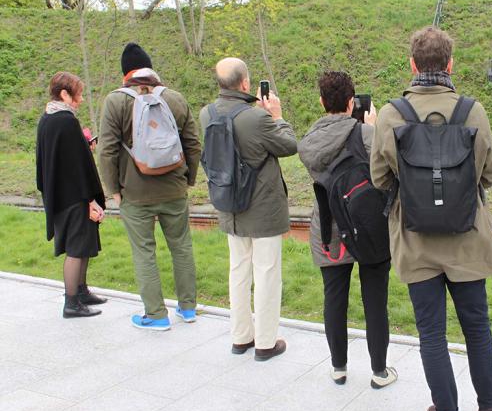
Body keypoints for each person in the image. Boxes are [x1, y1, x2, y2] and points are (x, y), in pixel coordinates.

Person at [370, 27, 492, 411]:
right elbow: (488, 174)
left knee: (431, 333)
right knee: (477, 326)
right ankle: (490, 404)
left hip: (415, 241)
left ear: (413, 65)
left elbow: (379, 178)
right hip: (467, 239)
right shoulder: (473, 111)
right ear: (450, 64)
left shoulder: (391, 114)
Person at [298, 71, 397, 388]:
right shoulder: (368, 134)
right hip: (369, 227)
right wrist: (375, 128)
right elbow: (389, 169)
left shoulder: (309, 142)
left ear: (321, 102)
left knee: (334, 298)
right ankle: (379, 371)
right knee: (375, 300)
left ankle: (338, 368)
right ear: (352, 102)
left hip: (329, 230)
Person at [98, 43, 201, 331]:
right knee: (181, 247)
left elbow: (106, 150)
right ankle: (188, 308)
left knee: (144, 252)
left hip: (134, 192)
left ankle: (156, 315)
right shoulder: (174, 98)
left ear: (125, 74)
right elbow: (193, 144)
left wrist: (113, 190)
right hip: (174, 188)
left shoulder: (115, 101)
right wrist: (188, 179)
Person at [199, 58, 297, 361]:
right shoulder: (256, 118)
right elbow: (289, 145)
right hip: (262, 206)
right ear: (244, 83)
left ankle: (241, 337)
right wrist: (277, 116)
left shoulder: (207, 114)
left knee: (238, 271)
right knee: (266, 273)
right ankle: (266, 342)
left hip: (229, 204)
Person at [36, 71, 107, 318]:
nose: (81, 99)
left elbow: (58, 159)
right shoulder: (66, 121)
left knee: (82, 244)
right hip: (74, 196)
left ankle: (81, 291)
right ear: (65, 94)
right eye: (78, 94)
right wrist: (90, 200)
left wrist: (83, 146)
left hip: (60, 194)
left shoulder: (47, 118)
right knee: (76, 248)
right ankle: (72, 302)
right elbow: (77, 166)